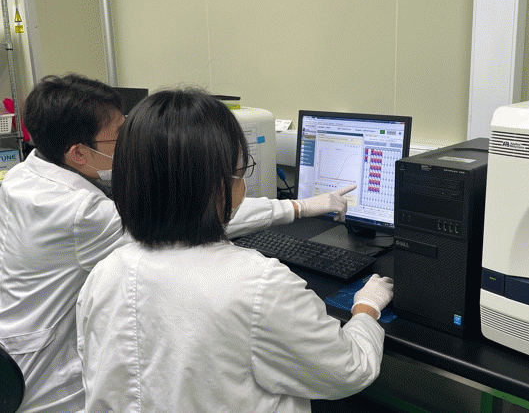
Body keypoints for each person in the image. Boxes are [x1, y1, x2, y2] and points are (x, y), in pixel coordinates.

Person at [0, 75, 353, 412]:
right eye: (120, 136)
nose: (130, 144)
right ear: (78, 153)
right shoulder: (80, 214)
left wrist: (297, 206)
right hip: (45, 373)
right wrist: (298, 207)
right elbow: (193, 211)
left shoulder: (23, 175)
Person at [76, 88, 394, 412]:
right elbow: (350, 370)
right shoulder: (257, 285)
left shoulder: (105, 274)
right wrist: (366, 309)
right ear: (219, 185)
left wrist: (298, 207)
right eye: (240, 171)